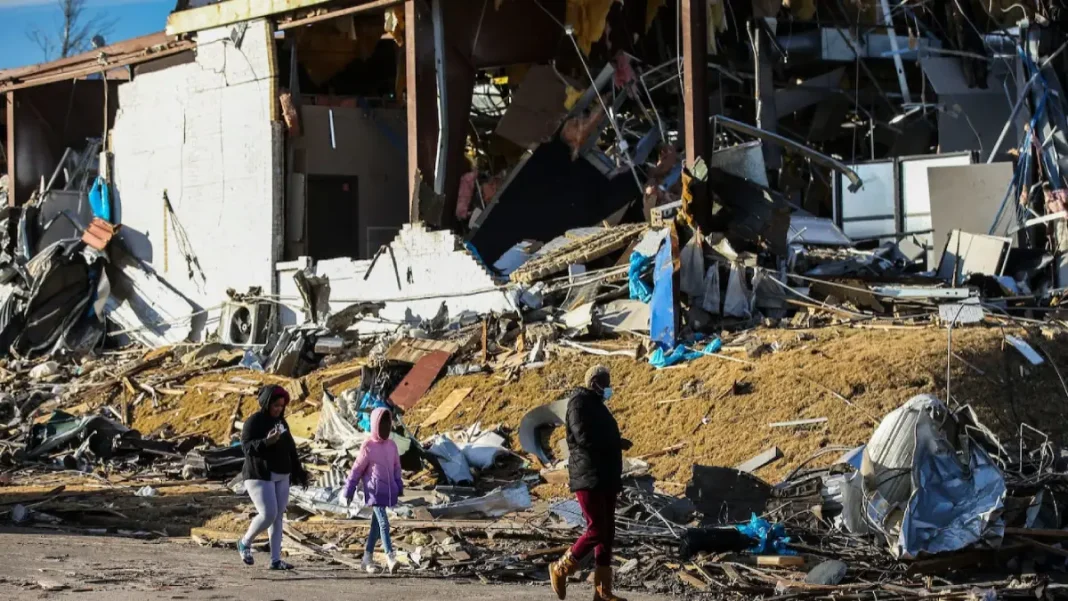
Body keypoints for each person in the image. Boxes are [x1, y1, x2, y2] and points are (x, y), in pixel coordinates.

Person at [550, 365, 632, 601]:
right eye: (606, 382)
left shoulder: (598, 406)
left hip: (605, 477)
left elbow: (599, 436)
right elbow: (583, 436)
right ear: (595, 382)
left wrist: (618, 442)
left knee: (607, 533)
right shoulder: (578, 403)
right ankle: (561, 568)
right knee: (596, 529)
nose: (609, 387)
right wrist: (611, 442)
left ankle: (603, 592)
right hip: (588, 476)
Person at [236, 385, 309, 570]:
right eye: (275, 405)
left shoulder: (282, 423)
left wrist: (298, 472)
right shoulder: (254, 422)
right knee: (268, 514)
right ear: (267, 403)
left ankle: (275, 560)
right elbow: (246, 447)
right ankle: (245, 542)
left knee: (278, 518)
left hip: (281, 474)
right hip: (259, 474)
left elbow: (291, 449)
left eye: (281, 406)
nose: (278, 409)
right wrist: (266, 442)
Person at [344, 407, 403, 574]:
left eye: (387, 423)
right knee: (384, 523)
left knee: (376, 527)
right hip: (374, 491)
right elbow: (356, 469)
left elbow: (396, 467)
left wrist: (398, 484)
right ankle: (390, 557)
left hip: (388, 491)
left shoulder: (391, 446)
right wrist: (349, 489)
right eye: (381, 423)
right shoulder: (368, 446)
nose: (385, 427)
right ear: (374, 424)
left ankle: (367, 558)